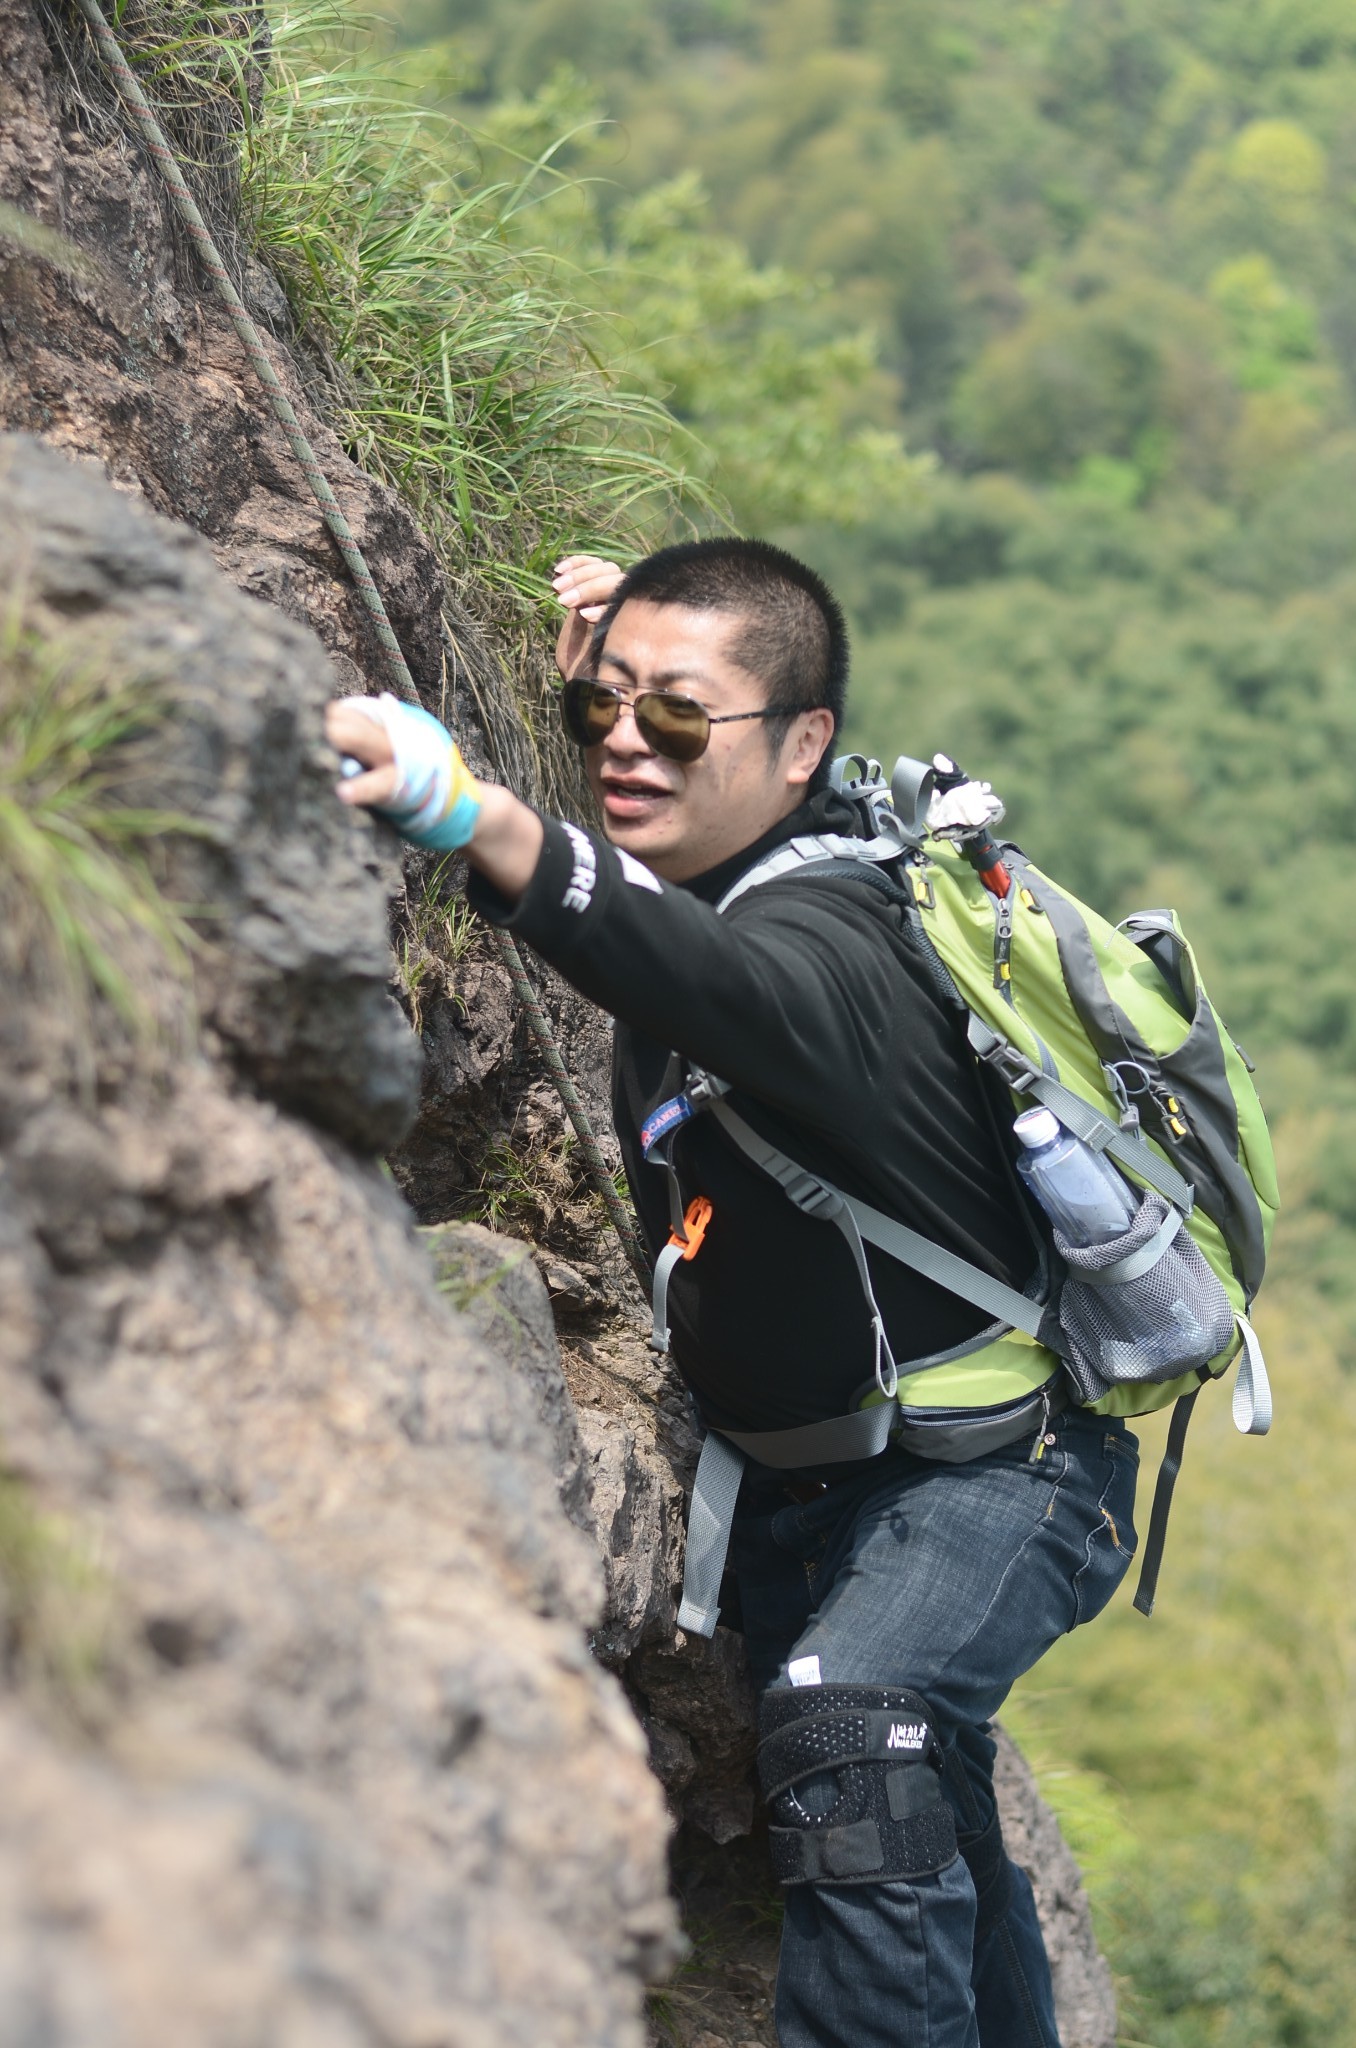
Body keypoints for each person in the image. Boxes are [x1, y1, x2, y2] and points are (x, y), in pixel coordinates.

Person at [325, 538, 1139, 2048]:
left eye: (681, 719)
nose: (627, 745)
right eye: (604, 710)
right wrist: (632, 674)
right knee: (931, 1802)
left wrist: (475, 812)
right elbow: (670, 889)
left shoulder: (830, 944)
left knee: (853, 1721)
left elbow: (721, 984)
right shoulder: (734, 860)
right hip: (808, 1485)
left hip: (996, 1474)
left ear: (805, 744)